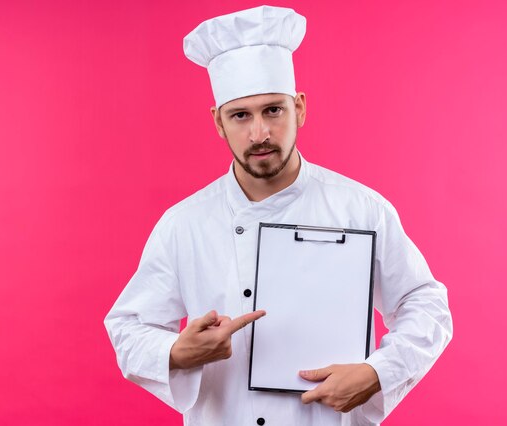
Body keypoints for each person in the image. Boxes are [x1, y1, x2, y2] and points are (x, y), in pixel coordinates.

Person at [104, 5, 452, 425]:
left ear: (299, 108)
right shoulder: (184, 225)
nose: (260, 133)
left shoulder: (361, 209)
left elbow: (426, 304)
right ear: (218, 122)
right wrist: (175, 352)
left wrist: (378, 372)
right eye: (240, 115)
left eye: (274, 110)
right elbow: (128, 328)